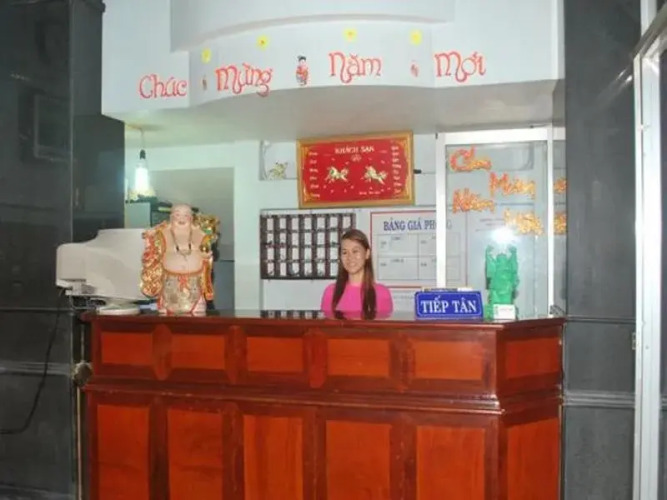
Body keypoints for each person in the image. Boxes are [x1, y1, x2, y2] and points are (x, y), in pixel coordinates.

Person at [140, 204, 217, 315]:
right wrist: (150, 241)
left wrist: (206, 257)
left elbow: (207, 255)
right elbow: (151, 256)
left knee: (197, 320)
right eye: (177, 215)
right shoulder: (161, 233)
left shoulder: (201, 233)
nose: (181, 218)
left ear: (191, 218)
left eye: (186, 215)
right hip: (168, 287)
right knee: (165, 321)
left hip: (195, 287)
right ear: (171, 217)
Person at [320, 229, 393, 316]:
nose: (350, 257)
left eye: (355, 251)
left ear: (367, 253)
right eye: (345, 252)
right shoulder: (330, 292)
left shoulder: (382, 293)